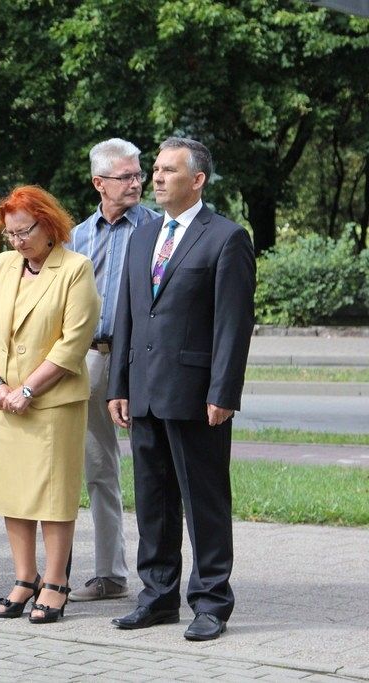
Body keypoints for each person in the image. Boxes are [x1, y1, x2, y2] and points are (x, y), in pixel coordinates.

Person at [108, 137, 255, 642]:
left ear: (197, 181)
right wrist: (118, 385)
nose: (156, 177)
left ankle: (212, 602)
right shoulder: (143, 236)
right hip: (144, 393)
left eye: (169, 170)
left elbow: (233, 326)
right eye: (155, 169)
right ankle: (157, 597)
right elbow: (127, 315)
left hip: (197, 396)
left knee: (204, 501)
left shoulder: (226, 238)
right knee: (153, 500)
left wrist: (224, 392)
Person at [0, 186, 99, 622]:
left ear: (49, 225)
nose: (17, 241)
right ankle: (25, 578)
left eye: (24, 231)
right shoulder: (3, 265)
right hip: (3, 403)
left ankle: (57, 581)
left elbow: (73, 342)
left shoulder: (76, 268)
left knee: (52, 497)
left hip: (52, 404)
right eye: (9, 234)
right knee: (13, 495)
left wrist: (27, 390)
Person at [66, 139, 160, 602]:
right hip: (92, 358)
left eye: (139, 174)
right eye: (126, 176)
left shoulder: (159, 231)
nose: (137, 182)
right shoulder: (76, 236)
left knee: (155, 468)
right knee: (98, 467)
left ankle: (163, 578)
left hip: (145, 359)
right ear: (99, 182)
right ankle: (110, 574)